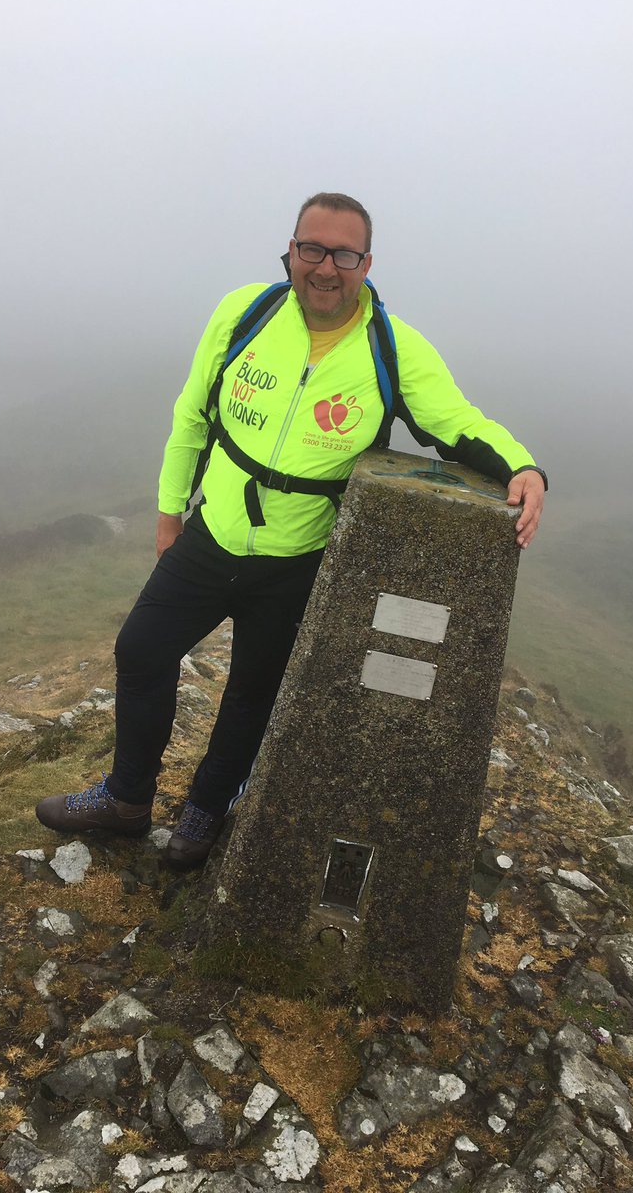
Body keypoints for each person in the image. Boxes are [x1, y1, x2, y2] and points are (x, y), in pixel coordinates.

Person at [36, 192, 547, 869]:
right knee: (142, 650)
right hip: (212, 532)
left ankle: (205, 811)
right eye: (313, 249)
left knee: (252, 691)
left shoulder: (392, 348)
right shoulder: (246, 312)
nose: (325, 267)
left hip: (301, 556)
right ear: (291, 250)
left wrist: (523, 465)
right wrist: (169, 513)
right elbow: (193, 414)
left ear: (366, 263)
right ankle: (127, 800)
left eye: (343, 253)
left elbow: (459, 422)